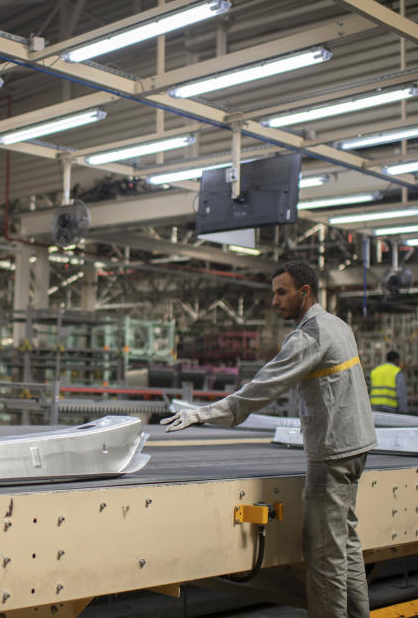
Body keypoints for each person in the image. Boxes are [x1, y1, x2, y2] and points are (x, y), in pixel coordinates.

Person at [161, 261, 376, 618]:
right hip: (356, 447)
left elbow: (265, 385)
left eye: (282, 292)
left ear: (304, 292)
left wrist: (204, 413)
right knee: (345, 545)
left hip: (333, 452)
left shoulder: (311, 334)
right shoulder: (338, 325)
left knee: (323, 552)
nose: (275, 300)